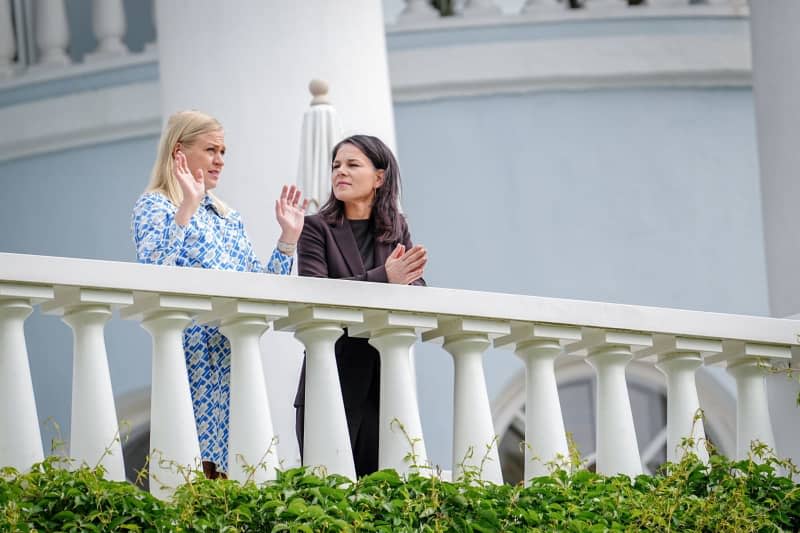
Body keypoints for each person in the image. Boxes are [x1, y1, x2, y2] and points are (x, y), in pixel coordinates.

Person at [131, 110, 308, 479]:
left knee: (242, 472)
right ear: (179, 152)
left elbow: (262, 291)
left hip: (233, 359)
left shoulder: (228, 217)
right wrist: (187, 206)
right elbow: (153, 267)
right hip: (190, 359)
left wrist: (287, 240)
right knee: (194, 475)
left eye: (223, 151)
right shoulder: (155, 205)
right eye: (211, 149)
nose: (220, 161)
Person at [294, 134, 427, 477]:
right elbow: (316, 293)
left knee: (386, 499)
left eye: (353, 165)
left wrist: (400, 279)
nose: (341, 172)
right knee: (327, 495)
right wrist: (386, 277)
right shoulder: (315, 229)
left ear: (379, 178)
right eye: (336, 165)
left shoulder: (396, 227)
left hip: (385, 383)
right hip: (331, 377)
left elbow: (417, 286)